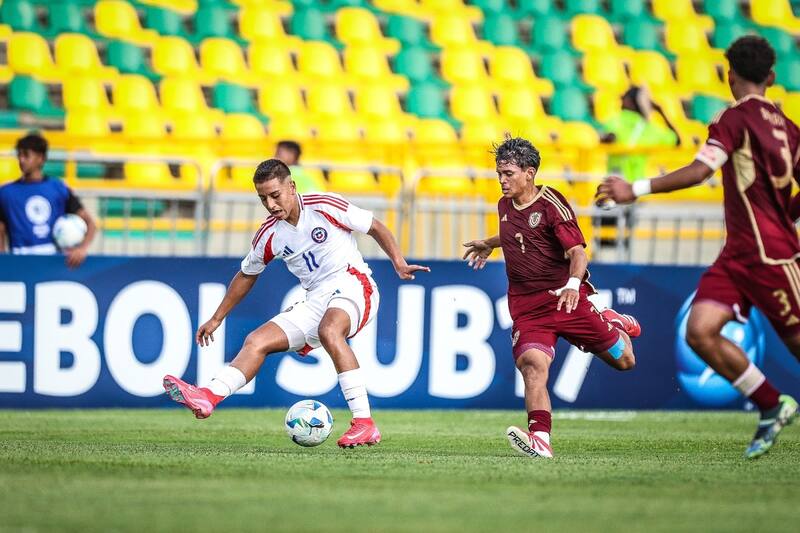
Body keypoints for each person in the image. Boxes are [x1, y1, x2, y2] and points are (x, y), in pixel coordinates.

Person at [597, 36, 799, 459]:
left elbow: (698, 171)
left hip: (771, 255)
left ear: (730, 76)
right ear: (772, 77)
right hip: (737, 255)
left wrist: (634, 189)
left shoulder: (735, 120)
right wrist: (787, 212)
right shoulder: (787, 128)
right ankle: (771, 403)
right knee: (699, 330)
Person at [163, 159, 429, 448]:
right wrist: (217, 318)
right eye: (263, 198)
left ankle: (364, 423)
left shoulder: (325, 206)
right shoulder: (269, 234)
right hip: (316, 298)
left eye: (275, 195)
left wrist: (399, 263)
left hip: (354, 283)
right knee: (256, 341)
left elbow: (374, 226)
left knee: (330, 330)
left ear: (291, 187)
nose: (270, 204)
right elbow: (246, 275)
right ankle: (209, 396)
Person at [463, 137, 641, 460]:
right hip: (528, 309)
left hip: (566, 300)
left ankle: (613, 322)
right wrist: (491, 243)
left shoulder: (551, 204)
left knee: (625, 360)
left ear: (529, 173)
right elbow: (516, 235)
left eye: (509, 174)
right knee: (532, 365)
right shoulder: (504, 205)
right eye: (499, 173)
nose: (502, 180)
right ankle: (540, 439)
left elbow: (577, 253)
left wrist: (574, 285)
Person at [0, 133, 95, 267]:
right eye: (19, 155)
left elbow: (90, 223)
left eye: (26, 155)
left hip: (52, 263)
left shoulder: (58, 188)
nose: (21, 160)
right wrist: (4, 262)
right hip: (19, 263)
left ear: (41, 158)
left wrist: (82, 249)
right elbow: (1, 230)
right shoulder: (6, 192)